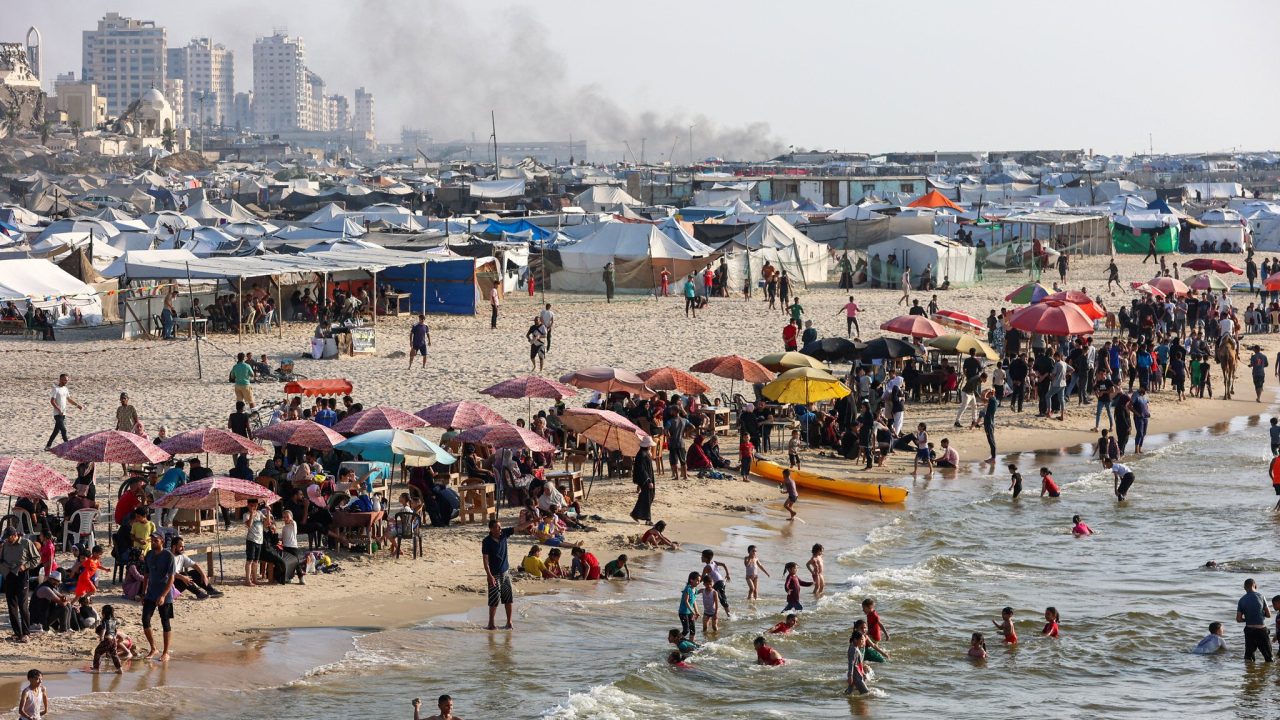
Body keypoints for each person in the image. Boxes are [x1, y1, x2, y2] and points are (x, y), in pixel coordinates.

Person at [482, 518, 529, 630]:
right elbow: (485, 560)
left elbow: (520, 527)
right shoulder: (486, 541)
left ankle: (509, 622)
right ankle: (491, 624)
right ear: (491, 529)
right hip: (494, 575)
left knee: (508, 599)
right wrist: (489, 575)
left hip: (505, 573)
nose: (500, 529)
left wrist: (534, 520)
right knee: (494, 600)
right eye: (497, 527)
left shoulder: (504, 534)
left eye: (500, 527)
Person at [141, 533, 176, 661]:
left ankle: (166, 652)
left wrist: (163, 595)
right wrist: (143, 592)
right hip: (150, 593)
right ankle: (153, 648)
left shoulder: (168, 556)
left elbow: (171, 578)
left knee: (165, 622)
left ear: (162, 541)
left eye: (156, 540)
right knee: (145, 619)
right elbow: (146, 574)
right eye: (152, 540)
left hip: (164, 594)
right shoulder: (149, 554)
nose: (153, 542)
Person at [1, 526, 38, 642]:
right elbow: (1, 560)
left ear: (14, 535)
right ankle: (17, 633)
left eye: (8, 538)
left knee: (23, 605)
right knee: (11, 606)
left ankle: (26, 633)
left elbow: (36, 558)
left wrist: (25, 566)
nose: (7, 540)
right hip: (9, 576)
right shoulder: (5, 545)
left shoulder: (26, 543)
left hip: (22, 576)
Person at [1237, 578, 1273, 662]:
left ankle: (1249, 670)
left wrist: (1248, 619)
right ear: (1255, 586)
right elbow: (1269, 615)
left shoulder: (1241, 600)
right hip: (1261, 630)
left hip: (1249, 630)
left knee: (1249, 658)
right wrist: (1260, 615)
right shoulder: (1261, 596)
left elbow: (1238, 619)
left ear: (1244, 588)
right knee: (1269, 657)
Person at [45, 373, 83, 450]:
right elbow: (52, 401)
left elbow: (69, 399)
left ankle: (48, 446)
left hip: (63, 413)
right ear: (60, 379)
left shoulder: (65, 389)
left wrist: (77, 405)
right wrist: (58, 409)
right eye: (65, 380)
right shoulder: (55, 389)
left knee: (56, 431)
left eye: (67, 380)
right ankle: (68, 446)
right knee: (63, 430)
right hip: (57, 414)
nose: (66, 381)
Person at [244, 498, 272, 586]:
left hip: (259, 540)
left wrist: (268, 511)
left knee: (256, 561)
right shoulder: (246, 515)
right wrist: (252, 514)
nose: (253, 507)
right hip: (251, 540)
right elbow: (249, 525)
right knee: (249, 560)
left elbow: (268, 523)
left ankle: (255, 579)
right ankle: (248, 580)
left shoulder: (259, 513)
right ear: (248, 505)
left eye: (255, 506)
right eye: (251, 505)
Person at [678, 571, 701, 641]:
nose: (699, 582)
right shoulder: (688, 588)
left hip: (690, 613)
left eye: (699, 581)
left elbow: (694, 602)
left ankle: (691, 643)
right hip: (683, 613)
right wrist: (693, 612)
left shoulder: (694, 590)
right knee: (686, 630)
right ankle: (676, 640)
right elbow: (686, 601)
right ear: (691, 580)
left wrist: (697, 612)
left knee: (693, 630)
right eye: (697, 580)